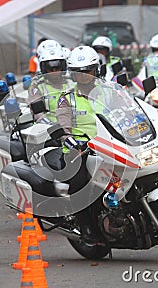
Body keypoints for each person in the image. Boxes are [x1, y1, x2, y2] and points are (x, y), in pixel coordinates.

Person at [55, 46, 103, 244]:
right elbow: (62, 125)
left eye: (88, 71)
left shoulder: (109, 92)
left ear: (96, 70)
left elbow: (129, 110)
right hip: (79, 150)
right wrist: (68, 138)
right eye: (78, 72)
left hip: (109, 145)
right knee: (80, 179)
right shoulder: (67, 99)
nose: (84, 76)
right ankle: (86, 225)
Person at [28, 39, 71, 123]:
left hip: (76, 128)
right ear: (43, 68)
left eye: (58, 67)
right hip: (49, 130)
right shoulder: (37, 86)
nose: (54, 71)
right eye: (50, 68)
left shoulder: (72, 82)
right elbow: (38, 114)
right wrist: (55, 129)